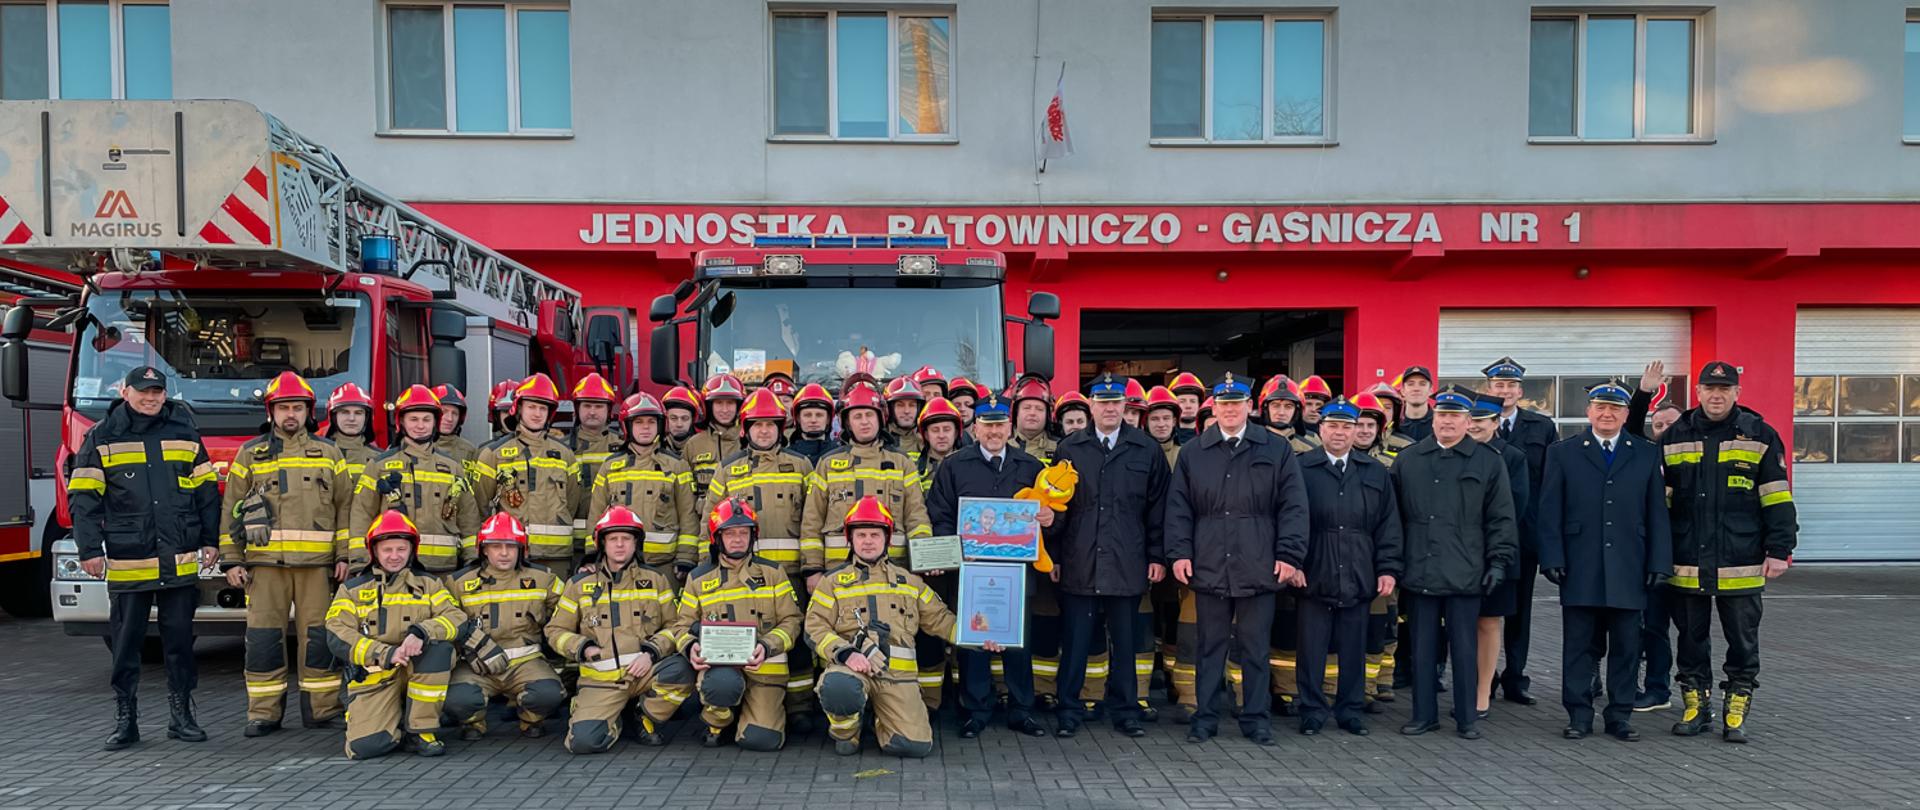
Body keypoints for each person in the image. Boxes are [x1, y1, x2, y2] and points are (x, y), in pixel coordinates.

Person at [70, 366, 220, 750]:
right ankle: (126, 719)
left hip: (180, 560)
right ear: (124, 392)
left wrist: (211, 540)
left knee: (180, 644)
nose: (150, 398)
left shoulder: (184, 434)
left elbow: (206, 494)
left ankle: (181, 716)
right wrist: (88, 550)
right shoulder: (102, 437)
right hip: (128, 560)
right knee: (125, 646)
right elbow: (84, 500)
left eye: (156, 392)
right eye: (143, 392)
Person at [1165, 373, 1309, 746]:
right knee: (1209, 646)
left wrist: (1289, 554)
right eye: (1224, 404)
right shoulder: (1195, 452)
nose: (1230, 410)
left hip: (1259, 561)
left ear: (1249, 406)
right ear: (1215, 408)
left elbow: (1294, 507)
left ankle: (1256, 719)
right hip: (1209, 561)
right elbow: (1178, 508)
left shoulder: (1275, 450)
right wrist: (1179, 552)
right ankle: (1205, 717)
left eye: (1237, 403)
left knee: (1255, 647)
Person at [1660, 361, 1797, 744]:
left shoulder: (1760, 435)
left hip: (1742, 558)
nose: (1716, 395)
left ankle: (1736, 707)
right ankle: (1695, 705)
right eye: (1709, 388)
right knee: (1690, 637)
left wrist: (1779, 549)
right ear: (1698, 392)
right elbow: (1658, 503)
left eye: (1724, 389)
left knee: (1742, 638)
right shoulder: (1673, 436)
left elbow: (1777, 498)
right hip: (1686, 559)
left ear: (1737, 393)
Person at [808, 496, 1002, 756]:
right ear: (850, 539)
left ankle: (881, 719)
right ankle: (847, 729)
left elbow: (941, 620)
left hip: (898, 679)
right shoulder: (832, 583)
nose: (867, 541)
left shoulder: (910, 582)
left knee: (915, 746)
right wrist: (845, 653)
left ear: (886, 539)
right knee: (838, 688)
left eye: (874, 535)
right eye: (861, 534)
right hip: (852, 670)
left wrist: (979, 637)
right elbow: (814, 627)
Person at [1537, 381, 1673, 742]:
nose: (1606, 414)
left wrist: (1660, 562)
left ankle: (1620, 716)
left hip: (1630, 565)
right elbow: (1549, 510)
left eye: (1614, 409)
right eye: (1600, 407)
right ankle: (1579, 715)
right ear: (1589, 412)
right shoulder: (1563, 452)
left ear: (1627, 414)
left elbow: (1657, 513)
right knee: (1579, 646)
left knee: (1628, 647)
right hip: (1581, 564)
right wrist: (1551, 556)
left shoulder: (1644, 453)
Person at [219, 371, 353, 737]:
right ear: (271, 412)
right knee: (263, 640)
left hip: (318, 568)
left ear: (310, 412)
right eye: (283, 408)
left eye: (297, 407)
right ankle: (263, 713)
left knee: (320, 640)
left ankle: (323, 709)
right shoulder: (251, 454)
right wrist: (231, 560)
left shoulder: (329, 453)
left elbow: (346, 508)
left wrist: (345, 556)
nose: (290, 414)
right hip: (264, 567)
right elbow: (231, 510)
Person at [1047, 374, 1169, 738]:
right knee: (1076, 642)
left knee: (1125, 642)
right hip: (1079, 560)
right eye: (1103, 402)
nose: (1110, 408)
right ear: (1092, 406)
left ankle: (1126, 710)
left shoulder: (1146, 449)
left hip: (1126, 560)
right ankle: (1069, 710)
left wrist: (1157, 556)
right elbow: (1057, 505)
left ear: (1125, 407)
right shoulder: (1071, 448)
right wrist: (1052, 556)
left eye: (1117, 403)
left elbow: (1158, 508)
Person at [1392, 389, 1518, 740]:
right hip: (1420, 568)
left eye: (1455, 416)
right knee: (1421, 648)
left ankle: (1467, 718)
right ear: (1434, 418)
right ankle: (1423, 714)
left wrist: (1499, 562)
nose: (1447, 421)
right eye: (1442, 415)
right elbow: (1394, 519)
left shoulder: (1488, 462)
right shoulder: (1410, 459)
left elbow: (1501, 518)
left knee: (1465, 649)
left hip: (1467, 570)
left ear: (1468, 421)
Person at [925, 394, 1052, 738]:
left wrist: (1050, 516)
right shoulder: (954, 465)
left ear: (1010, 427)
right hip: (972, 572)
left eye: (1000, 424)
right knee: (973, 643)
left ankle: (1021, 709)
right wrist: (946, 554)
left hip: (1017, 573)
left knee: (1018, 643)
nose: (994, 431)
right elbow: (940, 515)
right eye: (987, 424)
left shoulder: (1031, 467)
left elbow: (1051, 517)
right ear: (975, 427)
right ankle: (976, 710)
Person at [699, 388, 819, 728]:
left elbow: (812, 519)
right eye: (757, 425)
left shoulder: (801, 465)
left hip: (792, 572)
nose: (764, 431)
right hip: (740, 572)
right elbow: (709, 519)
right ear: (745, 429)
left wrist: (812, 567)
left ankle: (798, 707)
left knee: (796, 642)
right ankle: (737, 702)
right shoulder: (728, 469)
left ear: (781, 429)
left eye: (770, 425)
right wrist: (706, 565)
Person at [324, 509, 476, 759]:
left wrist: (421, 632)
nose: (395, 556)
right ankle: (393, 718)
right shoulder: (351, 590)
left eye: (401, 549)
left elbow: (456, 618)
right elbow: (336, 633)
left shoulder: (429, 584)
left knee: (439, 650)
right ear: (374, 551)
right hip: (377, 673)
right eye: (387, 550)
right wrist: (385, 653)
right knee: (367, 747)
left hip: (418, 666)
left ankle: (421, 731)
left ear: (412, 550)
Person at [546, 506, 695, 753]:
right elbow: (555, 630)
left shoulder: (656, 580)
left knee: (682, 669)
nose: (619, 545)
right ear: (601, 543)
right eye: (613, 539)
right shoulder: (579, 585)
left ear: (636, 543)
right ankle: (607, 718)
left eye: (626, 539)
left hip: (643, 672)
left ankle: (644, 715)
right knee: (583, 744)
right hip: (600, 681)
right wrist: (583, 648)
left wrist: (651, 653)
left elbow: (675, 627)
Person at [1294, 398, 1402, 736]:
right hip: (1314, 569)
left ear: (1357, 431)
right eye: (1333, 426)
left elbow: (1389, 525)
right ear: (1320, 428)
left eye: (1347, 426)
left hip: (1359, 568)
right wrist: (1294, 563)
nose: (1340, 432)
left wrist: (1387, 568)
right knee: (1311, 648)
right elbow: (1289, 520)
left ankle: (1350, 709)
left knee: (1353, 647)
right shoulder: (1301, 467)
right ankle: (1311, 710)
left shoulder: (1374, 472)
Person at [668, 498, 804, 750]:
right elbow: (680, 625)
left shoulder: (774, 574)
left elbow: (792, 621)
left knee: (762, 740)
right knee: (721, 686)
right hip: (721, 670)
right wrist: (690, 648)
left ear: (754, 536)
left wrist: (768, 645)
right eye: (730, 533)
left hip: (765, 671)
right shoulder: (698, 579)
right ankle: (716, 723)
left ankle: (748, 719)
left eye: (744, 532)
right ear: (717, 538)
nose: (738, 539)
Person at [444, 513, 566, 739]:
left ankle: (530, 719)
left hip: (526, 663)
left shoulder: (543, 579)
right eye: (496, 546)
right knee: (457, 699)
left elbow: (573, 606)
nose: (503, 552)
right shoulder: (458, 583)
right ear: (483, 549)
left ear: (522, 549)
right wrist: (473, 646)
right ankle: (473, 722)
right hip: (477, 664)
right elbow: (446, 621)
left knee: (548, 694)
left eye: (511, 546)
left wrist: (592, 575)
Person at [348, 385, 483, 577]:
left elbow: (469, 519)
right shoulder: (379, 466)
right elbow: (361, 514)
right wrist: (360, 562)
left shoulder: (454, 468)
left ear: (435, 422)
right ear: (401, 422)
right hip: (393, 569)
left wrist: (472, 561)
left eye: (426, 419)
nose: (420, 426)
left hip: (444, 569)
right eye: (413, 419)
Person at [1484, 356, 1555, 707]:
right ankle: (1487, 675)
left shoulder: (1541, 426)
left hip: (1525, 534)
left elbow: (1552, 482)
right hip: (1483, 537)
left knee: (1520, 611)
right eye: (1499, 385)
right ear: (1489, 389)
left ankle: (1516, 675)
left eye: (1511, 386)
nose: (1506, 391)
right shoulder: (1477, 424)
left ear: (1520, 391)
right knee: (1486, 611)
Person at [802, 382, 930, 571]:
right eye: (857, 416)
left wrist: (922, 563)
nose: (864, 421)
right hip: (837, 572)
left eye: (870, 414)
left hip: (894, 571)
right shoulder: (827, 463)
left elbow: (916, 517)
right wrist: (812, 570)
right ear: (847, 422)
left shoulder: (902, 463)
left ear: (881, 419)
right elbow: (812, 520)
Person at [473, 374, 583, 578]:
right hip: (512, 552)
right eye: (531, 407)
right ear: (518, 408)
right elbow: (479, 506)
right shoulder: (493, 454)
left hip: (556, 556)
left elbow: (572, 502)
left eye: (543, 408)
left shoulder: (565, 454)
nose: (537, 414)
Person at [1463, 390, 1530, 722]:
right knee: (1460, 623)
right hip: (1457, 553)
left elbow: (1513, 509)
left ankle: (1483, 691)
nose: (1474, 426)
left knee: (1488, 622)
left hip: (1495, 552)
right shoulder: (1453, 453)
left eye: (1481, 420)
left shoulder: (1513, 457)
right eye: (1470, 419)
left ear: (1495, 423)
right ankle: (1465, 684)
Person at [588, 392, 700, 574]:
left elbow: (688, 516)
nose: (646, 428)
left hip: (665, 565)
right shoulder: (610, 467)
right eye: (639, 422)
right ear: (627, 426)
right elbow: (596, 514)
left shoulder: (677, 466)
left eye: (651, 422)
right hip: (617, 565)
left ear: (660, 425)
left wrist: (686, 558)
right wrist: (593, 555)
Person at [568, 373, 623, 547]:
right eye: (587, 405)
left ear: (609, 410)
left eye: (598, 406)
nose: (592, 411)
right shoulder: (560, 450)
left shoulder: (623, 447)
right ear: (577, 409)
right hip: (570, 541)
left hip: (612, 539)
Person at [683, 374, 747, 495]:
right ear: (708, 406)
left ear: (739, 406)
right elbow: (685, 495)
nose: (724, 409)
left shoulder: (749, 441)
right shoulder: (693, 445)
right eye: (718, 403)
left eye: (730, 403)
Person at [323, 383, 382, 481]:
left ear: (366, 418)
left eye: (358, 413)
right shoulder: (319, 454)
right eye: (345, 412)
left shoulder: (380, 458)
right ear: (334, 417)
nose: (351, 418)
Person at [431, 384, 481, 480]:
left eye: (454, 413)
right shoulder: (417, 448)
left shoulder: (469, 451)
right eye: (444, 412)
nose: (449, 419)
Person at [786, 383, 839, 464]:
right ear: (798, 418)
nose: (813, 420)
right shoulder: (785, 457)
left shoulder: (841, 454)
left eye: (819, 415)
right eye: (807, 415)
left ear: (828, 419)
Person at [1009, 375, 1057, 463]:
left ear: (1047, 415)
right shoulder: (1001, 446)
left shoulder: (1059, 449)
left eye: (1039, 409)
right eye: (1027, 408)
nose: (1032, 413)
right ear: (1016, 412)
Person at [884, 376, 927, 460]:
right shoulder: (878, 440)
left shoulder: (929, 439)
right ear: (889, 409)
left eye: (912, 405)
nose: (907, 411)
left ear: (919, 409)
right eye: (900, 405)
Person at [660, 385, 703, 460]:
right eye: (673, 418)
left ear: (692, 420)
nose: (679, 424)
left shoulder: (704, 448)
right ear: (666, 420)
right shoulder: (654, 449)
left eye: (685, 418)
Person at [1396, 365, 1436, 442]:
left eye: (1422, 384)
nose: (1416, 389)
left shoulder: (1439, 423)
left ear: (1431, 390)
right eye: (1411, 384)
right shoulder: (1394, 423)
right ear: (1402, 391)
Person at [1168, 372, 1206, 444]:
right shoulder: (1163, 438)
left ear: (1199, 404)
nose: (1188, 406)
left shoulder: (1210, 436)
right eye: (1182, 401)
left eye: (1192, 401)